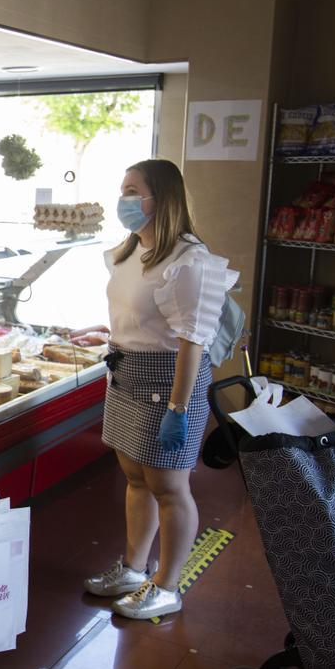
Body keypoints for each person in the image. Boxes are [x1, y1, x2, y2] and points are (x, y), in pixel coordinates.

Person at [84, 159, 238, 620]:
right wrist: (107, 333)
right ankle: (134, 568)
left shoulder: (189, 261)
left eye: (133, 190)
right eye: (122, 188)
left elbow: (193, 342)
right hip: (127, 373)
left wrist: (179, 407)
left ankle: (167, 585)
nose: (123, 199)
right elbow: (139, 314)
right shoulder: (132, 250)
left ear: (162, 198)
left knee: (169, 486)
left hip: (170, 380)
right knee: (135, 478)